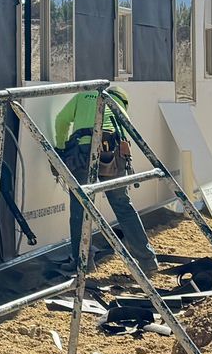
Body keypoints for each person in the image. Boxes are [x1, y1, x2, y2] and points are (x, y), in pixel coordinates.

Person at [52, 85, 159, 273]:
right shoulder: (117, 103)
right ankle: (147, 260)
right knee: (123, 206)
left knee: (81, 209)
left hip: (83, 155)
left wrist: (60, 147)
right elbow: (126, 131)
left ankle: (82, 263)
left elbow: (61, 120)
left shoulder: (83, 95)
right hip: (113, 155)